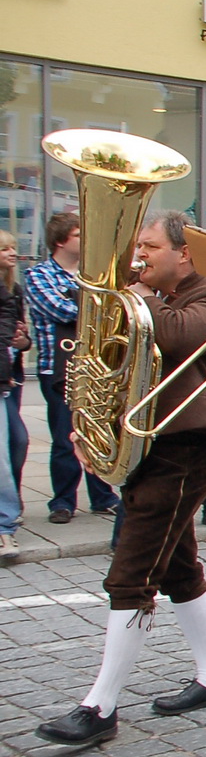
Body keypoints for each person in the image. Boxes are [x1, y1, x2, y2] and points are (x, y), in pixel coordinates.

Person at [34, 211, 206, 747]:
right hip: (148, 443)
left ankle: (100, 706)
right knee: (178, 567)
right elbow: (105, 364)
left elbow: (174, 336)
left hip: (187, 444)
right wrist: (89, 423)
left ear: (184, 253)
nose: (139, 257)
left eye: (149, 247)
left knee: (132, 573)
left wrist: (136, 296)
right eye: (138, 247)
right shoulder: (147, 297)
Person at [26, 211, 123, 524]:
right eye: (79, 235)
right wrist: (99, 309)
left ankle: (103, 496)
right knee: (64, 436)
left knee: (99, 432)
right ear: (59, 241)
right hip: (58, 366)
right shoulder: (38, 275)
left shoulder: (92, 274)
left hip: (96, 365)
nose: (86, 240)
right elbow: (62, 310)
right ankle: (63, 501)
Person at [0, 229, 24, 558]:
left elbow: (16, 336)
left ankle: (5, 524)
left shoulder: (12, 290)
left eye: (13, 248)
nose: (12, 253)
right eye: (4, 249)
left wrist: (22, 342)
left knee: (14, 445)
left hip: (8, 377)